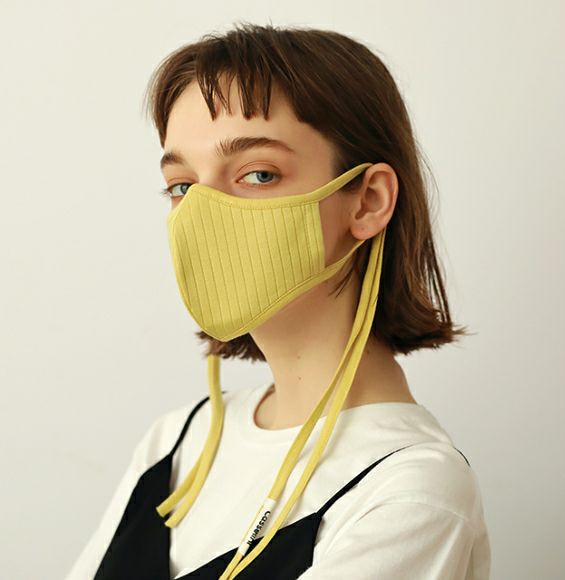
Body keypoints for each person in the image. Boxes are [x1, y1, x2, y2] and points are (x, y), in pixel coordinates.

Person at [65, 22, 491, 580]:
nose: (202, 214)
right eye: (182, 186)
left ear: (368, 200)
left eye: (258, 174)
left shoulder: (412, 491)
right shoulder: (177, 441)